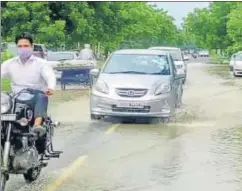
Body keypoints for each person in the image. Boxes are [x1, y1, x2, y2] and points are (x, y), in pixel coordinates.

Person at [1, 32, 56, 137]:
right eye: (20, 46)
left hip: (35, 95)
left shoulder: (41, 63)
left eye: (26, 46)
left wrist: (50, 87)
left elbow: (50, 76)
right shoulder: (9, 63)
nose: (23, 48)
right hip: (15, 96)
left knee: (42, 96)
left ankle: (36, 126)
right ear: (16, 47)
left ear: (32, 46)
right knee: (3, 101)